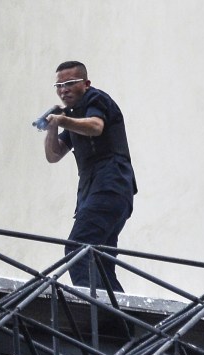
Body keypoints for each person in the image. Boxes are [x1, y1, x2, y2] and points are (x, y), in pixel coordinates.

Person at [43, 61, 137, 292]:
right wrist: (53, 127)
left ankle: (92, 306)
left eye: (70, 83)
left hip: (110, 185)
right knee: (100, 261)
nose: (63, 89)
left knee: (77, 248)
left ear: (86, 84)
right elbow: (53, 155)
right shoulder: (74, 118)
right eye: (59, 85)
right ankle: (119, 320)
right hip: (97, 191)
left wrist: (63, 120)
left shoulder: (95, 99)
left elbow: (95, 127)